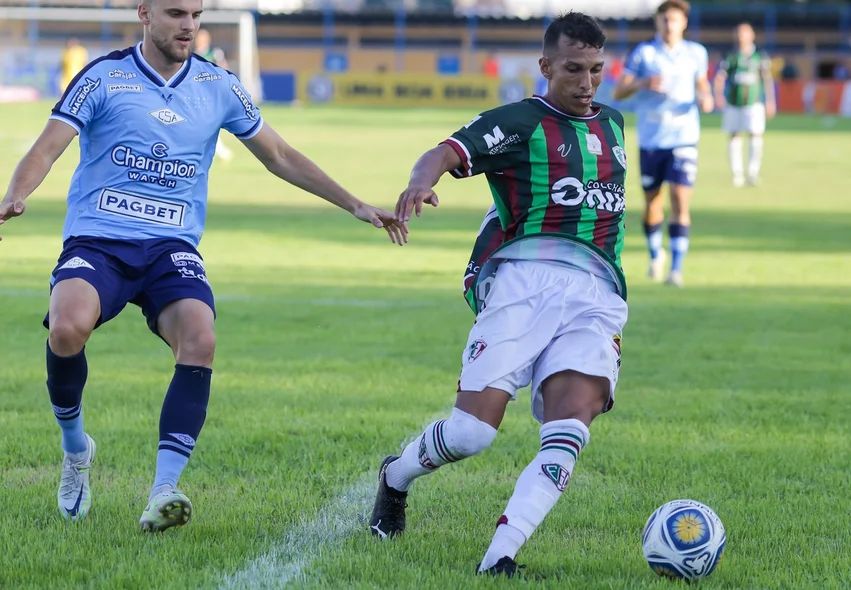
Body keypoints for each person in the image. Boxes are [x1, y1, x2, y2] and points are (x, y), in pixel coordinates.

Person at [0, 0, 406, 532]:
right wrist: (15, 196)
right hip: (101, 239)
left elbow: (279, 156)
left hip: (171, 248)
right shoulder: (104, 76)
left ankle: (163, 489)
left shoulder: (220, 85)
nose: (188, 24)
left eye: (195, 13)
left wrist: (354, 203)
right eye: (175, 13)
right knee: (67, 327)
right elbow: (47, 148)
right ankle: (76, 450)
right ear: (145, 14)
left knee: (200, 339)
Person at [367, 11, 628, 577]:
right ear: (545, 67)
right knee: (471, 433)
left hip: (597, 294)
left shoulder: (614, 125)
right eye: (573, 69)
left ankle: (500, 558)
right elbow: (444, 152)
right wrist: (420, 182)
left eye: (596, 70)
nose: (586, 83)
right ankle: (395, 477)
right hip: (523, 283)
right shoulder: (520, 122)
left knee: (570, 427)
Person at [612, 0, 713, 288]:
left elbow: (702, 83)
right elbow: (619, 91)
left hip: (684, 138)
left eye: (675, 20)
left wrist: (706, 96)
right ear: (657, 22)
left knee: (681, 200)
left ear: (684, 23)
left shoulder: (696, 53)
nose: (669, 25)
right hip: (652, 139)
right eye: (665, 19)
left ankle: (676, 269)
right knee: (652, 203)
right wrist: (643, 84)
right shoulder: (644, 54)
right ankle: (656, 255)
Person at [714, 22, 776, 188]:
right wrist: (718, 95)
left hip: (754, 104)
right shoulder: (730, 56)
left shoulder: (760, 56)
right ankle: (737, 174)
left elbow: (767, 80)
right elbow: (719, 77)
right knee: (734, 136)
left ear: (752, 35)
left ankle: (752, 173)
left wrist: (770, 101)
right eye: (739, 33)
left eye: (745, 33)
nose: (741, 36)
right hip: (734, 103)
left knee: (755, 136)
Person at [193, 28, 234, 162]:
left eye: (203, 38)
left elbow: (224, 70)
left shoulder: (215, 54)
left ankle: (220, 150)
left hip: (211, 95)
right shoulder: (191, 55)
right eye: (199, 38)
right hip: (195, 95)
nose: (200, 41)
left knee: (208, 122)